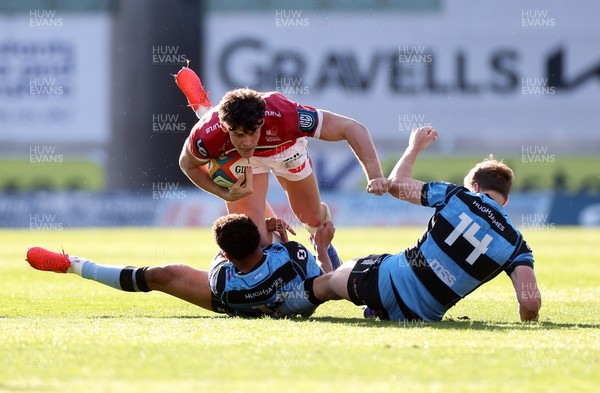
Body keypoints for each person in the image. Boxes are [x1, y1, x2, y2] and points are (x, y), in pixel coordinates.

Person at [277, 127, 542, 322]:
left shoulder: (458, 196)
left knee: (329, 283)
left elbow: (395, 186)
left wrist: (414, 147)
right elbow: (530, 301)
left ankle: (277, 308)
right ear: (504, 201)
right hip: (422, 315)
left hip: (386, 281)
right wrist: (528, 322)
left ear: (474, 187)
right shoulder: (517, 246)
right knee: (353, 267)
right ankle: (374, 307)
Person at [175, 67, 388, 262]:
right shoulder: (208, 135)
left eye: (253, 132)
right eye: (239, 134)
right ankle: (282, 260)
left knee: (311, 218)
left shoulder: (286, 116)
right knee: (256, 239)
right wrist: (222, 193)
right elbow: (188, 164)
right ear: (226, 127)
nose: (248, 142)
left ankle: (318, 241)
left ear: (263, 122)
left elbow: (352, 128)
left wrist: (375, 175)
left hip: (285, 151)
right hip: (239, 158)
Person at [25, 214, 335, 318]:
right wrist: (319, 246)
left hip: (236, 303)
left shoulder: (225, 283)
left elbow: (220, 263)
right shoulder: (293, 256)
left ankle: (74, 266)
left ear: (226, 257)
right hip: (288, 297)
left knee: (160, 275)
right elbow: (323, 279)